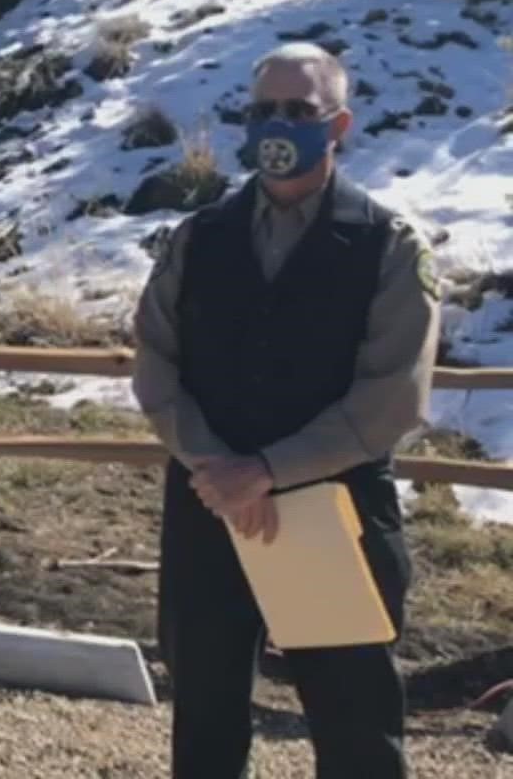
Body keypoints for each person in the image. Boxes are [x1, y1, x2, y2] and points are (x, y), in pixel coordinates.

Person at [131, 42, 439, 779]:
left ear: (339, 125)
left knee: (354, 725)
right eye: (263, 109)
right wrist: (217, 469)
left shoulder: (388, 247)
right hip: (212, 509)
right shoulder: (198, 238)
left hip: (332, 512)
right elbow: (155, 363)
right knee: (204, 716)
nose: (278, 124)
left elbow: (393, 395)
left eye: (299, 111)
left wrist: (266, 472)